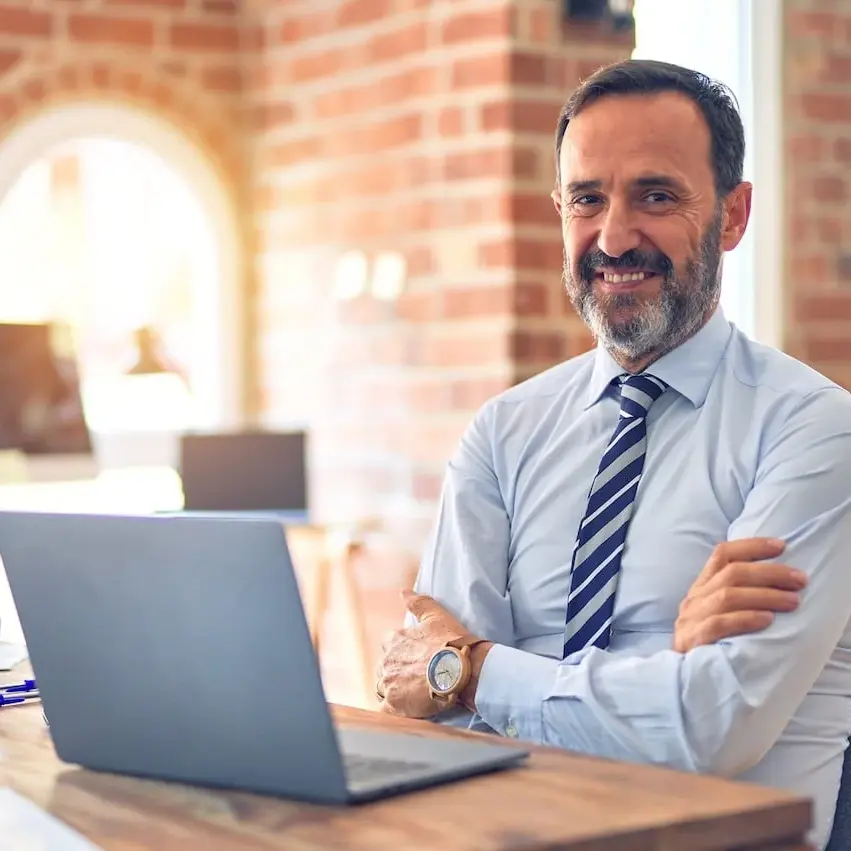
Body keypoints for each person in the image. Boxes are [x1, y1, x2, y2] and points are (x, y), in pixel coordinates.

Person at [375, 60, 851, 850]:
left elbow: (710, 726)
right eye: (587, 199)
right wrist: (662, 664)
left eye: (656, 196)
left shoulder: (814, 430)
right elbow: (439, 711)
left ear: (732, 217)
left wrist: (478, 669)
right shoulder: (502, 433)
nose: (614, 236)